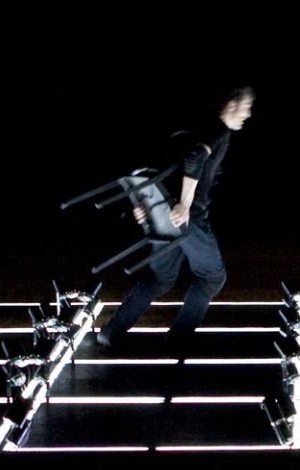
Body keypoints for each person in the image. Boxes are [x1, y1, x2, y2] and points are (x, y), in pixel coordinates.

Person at [97, 84, 255, 351]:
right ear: (231, 105)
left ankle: (111, 333)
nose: (248, 114)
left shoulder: (190, 130)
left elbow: (149, 171)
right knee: (211, 277)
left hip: (161, 211)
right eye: (246, 107)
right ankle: (178, 339)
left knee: (160, 278)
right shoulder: (219, 130)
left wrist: (143, 206)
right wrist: (184, 203)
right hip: (188, 217)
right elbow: (195, 158)